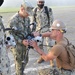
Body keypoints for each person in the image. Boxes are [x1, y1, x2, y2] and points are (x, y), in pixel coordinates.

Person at [8, 1, 33, 75]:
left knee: (26, 60)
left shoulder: (27, 19)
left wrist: (31, 35)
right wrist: (21, 41)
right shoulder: (13, 20)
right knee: (19, 63)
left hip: (25, 44)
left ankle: (20, 73)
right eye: (27, 12)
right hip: (17, 46)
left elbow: (28, 29)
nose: (28, 14)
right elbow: (10, 35)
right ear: (22, 9)